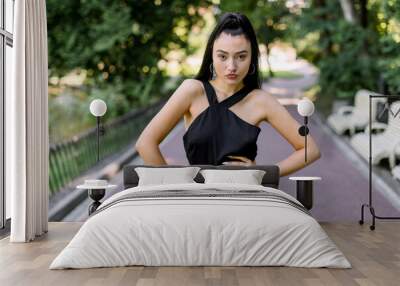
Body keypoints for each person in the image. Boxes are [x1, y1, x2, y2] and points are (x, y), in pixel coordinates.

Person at [135, 12, 321, 176]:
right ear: (211, 55)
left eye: (241, 56)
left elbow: (310, 149)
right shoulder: (192, 91)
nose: (231, 67)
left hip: (243, 198)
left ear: (252, 57)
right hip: (196, 198)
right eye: (222, 56)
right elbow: (146, 143)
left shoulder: (261, 101)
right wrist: (173, 187)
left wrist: (263, 174)